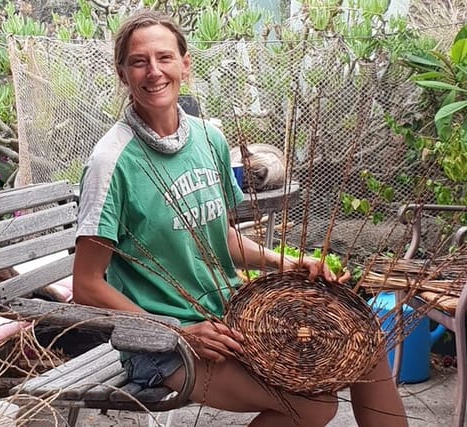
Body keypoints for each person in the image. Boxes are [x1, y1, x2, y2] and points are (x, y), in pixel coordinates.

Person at [73, 9, 407, 427]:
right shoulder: (112, 163)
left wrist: (286, 262)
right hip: (163, 345)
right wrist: (177, 330)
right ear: (123, 73)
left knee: (362, 337)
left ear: (185, 64)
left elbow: (219, 239)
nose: (153, 71)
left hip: (231, 313)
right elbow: (86, 286)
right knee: (313, 405)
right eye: (139, 61)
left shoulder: (208, 138)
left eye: (164, 57)